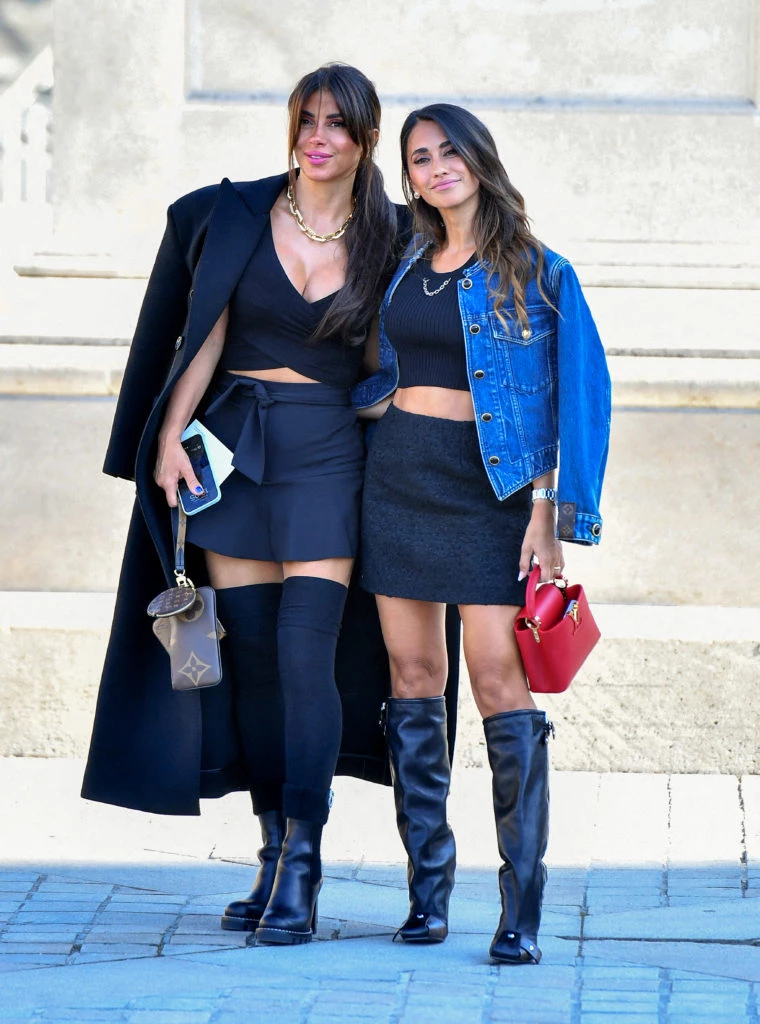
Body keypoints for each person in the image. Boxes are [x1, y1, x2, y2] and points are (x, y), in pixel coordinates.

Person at [81, 63, 421, 947]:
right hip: (230, 456)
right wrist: (166, 437)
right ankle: (270, 848)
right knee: (257, 664)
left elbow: (392, 364)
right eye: (306, 119)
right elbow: (205, 337)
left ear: (364, 138)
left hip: (327, 457)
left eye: (336, 124)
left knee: (309, 656)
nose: (318, 136)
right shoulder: (240, 217)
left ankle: (305, 859)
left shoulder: (390, 234)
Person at [354, 104, 611, 964]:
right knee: (413, 676)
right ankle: (428, 896)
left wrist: (554, 510)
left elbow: (582, 394)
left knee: (500, 680)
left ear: (478, 159)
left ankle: (520, 909)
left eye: (449, 151)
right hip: (398, 482)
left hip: (493, 492)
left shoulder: (537, 271)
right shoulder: (400, 263)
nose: (436, 168)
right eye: (419, 158)